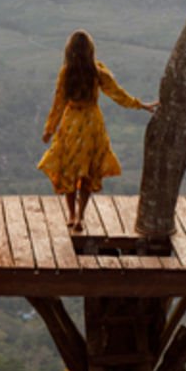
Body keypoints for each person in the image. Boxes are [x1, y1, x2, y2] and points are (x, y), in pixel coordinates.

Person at [38, 30, 157, 233]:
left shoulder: (66, 72)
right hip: (93, 124)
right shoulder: (97, 71)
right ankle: (81, 217)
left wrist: (50, 129)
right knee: (87, 172)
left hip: (71, 124)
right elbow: (117, 93)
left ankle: (71, 214)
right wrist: (141, 105)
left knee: (69, 170)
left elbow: (58, 102)